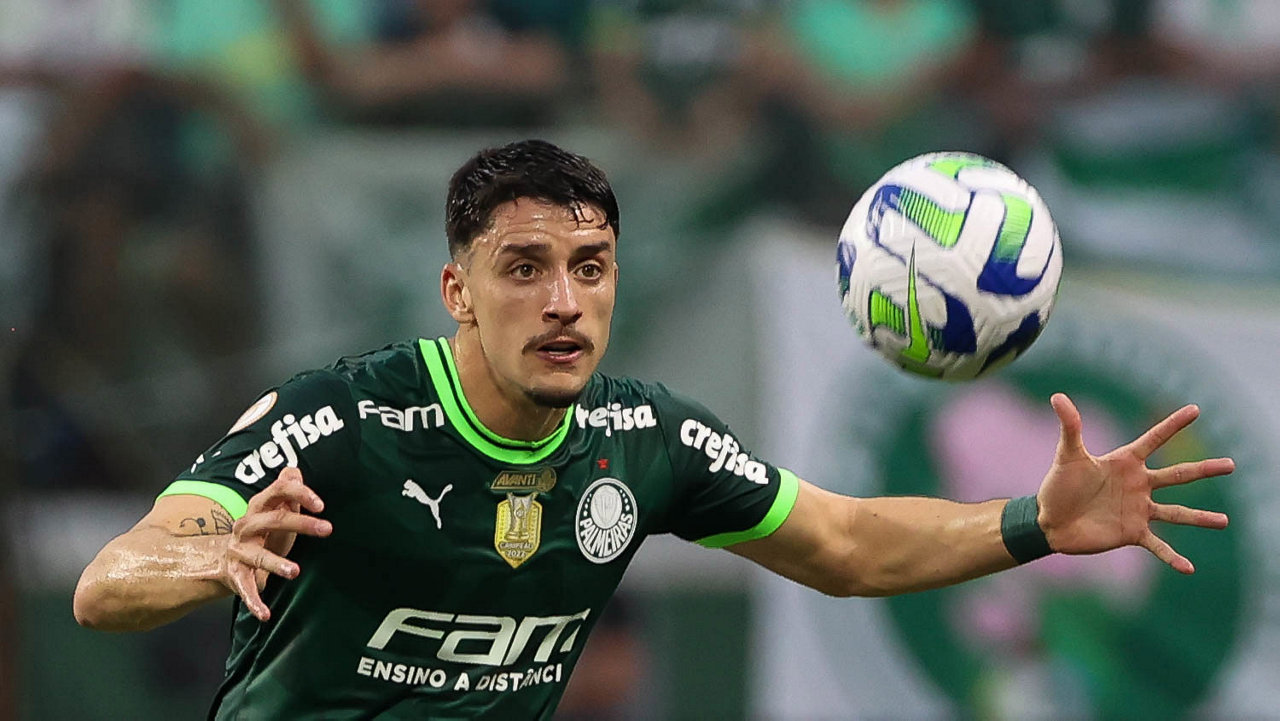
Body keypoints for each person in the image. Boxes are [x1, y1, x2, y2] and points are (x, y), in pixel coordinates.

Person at [73, 139, 1234, 719]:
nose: (563, 301)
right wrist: (207, 557)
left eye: (589, 267)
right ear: (456, 291)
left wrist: (1033, 522)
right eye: (523, 268)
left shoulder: (645, 439)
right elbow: (107, 579)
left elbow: (845, 545)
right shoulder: (343, 415)